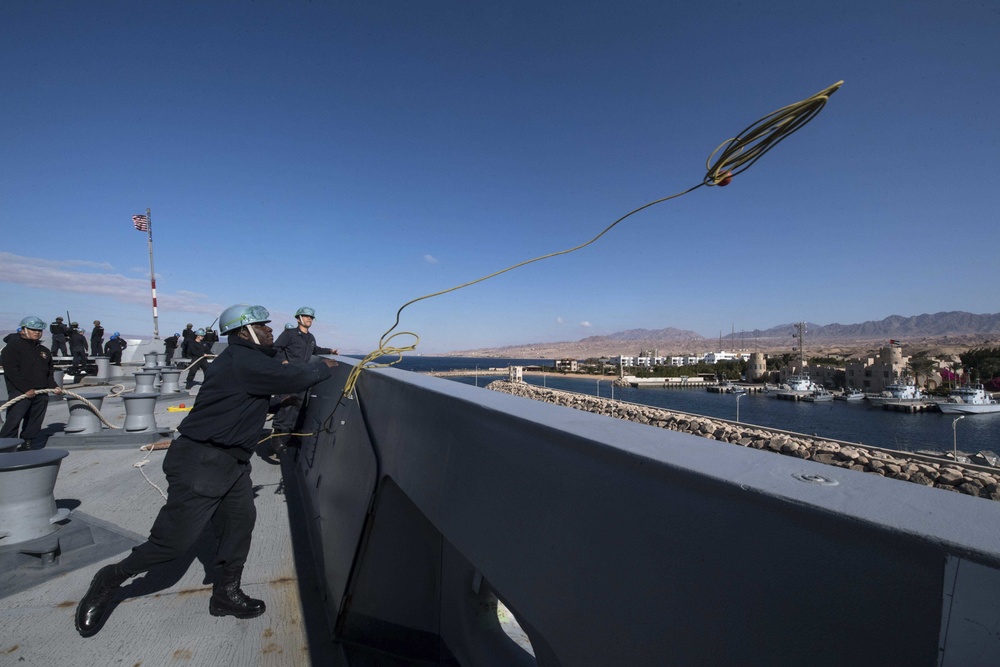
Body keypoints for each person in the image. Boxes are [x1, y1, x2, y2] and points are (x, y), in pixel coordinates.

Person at [75, 304, 337, 638]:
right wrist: (323, 366)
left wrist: (275, 404)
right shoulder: (245, 360)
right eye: (263, 326)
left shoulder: (240, 362)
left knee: (239, 523)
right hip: (202, 461)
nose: (271, 330)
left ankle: (225, 595)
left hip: (232, 463)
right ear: (244, 332)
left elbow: (240, 397)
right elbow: (294, 376)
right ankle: (110, 578)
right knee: (172, 542)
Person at [271, 307, 338, 443]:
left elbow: (315, 349)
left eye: (311, 317)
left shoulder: (310, 337)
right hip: (289, 376)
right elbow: (275, 349)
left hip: (303, 377)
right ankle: (277, 440)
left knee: (298, 407)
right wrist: (283, 361)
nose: (309, 319)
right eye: (306, 316)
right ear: (298, 318)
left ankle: (291, 439)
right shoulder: (289, 334)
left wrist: (330, 350)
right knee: (285, 406)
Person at [1, 316, 62, 450]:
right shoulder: (12, 349)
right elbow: (12, 372)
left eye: (39, 330)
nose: (37, 332)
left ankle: (27, 443)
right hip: (20, 391)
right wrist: (26, 389)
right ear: (23, 330)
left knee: (35, 421)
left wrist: (53, 386)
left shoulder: (43, 351)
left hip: (41, 392)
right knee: (14, 420)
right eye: (33, 329)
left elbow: (48, 372)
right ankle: (6, 447)